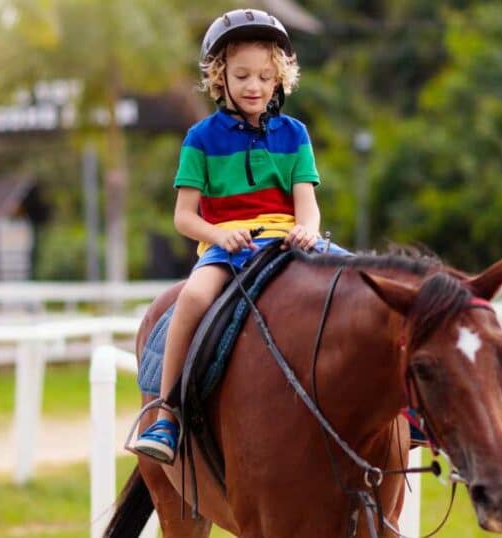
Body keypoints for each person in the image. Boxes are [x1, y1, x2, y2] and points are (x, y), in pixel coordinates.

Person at [132, 8, 348, 464]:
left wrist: (306, 232)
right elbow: (184, 217)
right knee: (191, 299)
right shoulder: (200, 138)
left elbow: (306, 202)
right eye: (242, 75)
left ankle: (402, 410)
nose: (254, 86)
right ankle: (166, 414)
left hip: (289, 243)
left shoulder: (295, 134)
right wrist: (219, 233)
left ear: (279, 80)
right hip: (228, 250)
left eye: (265, 76)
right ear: (220, 78)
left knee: (361, 284)